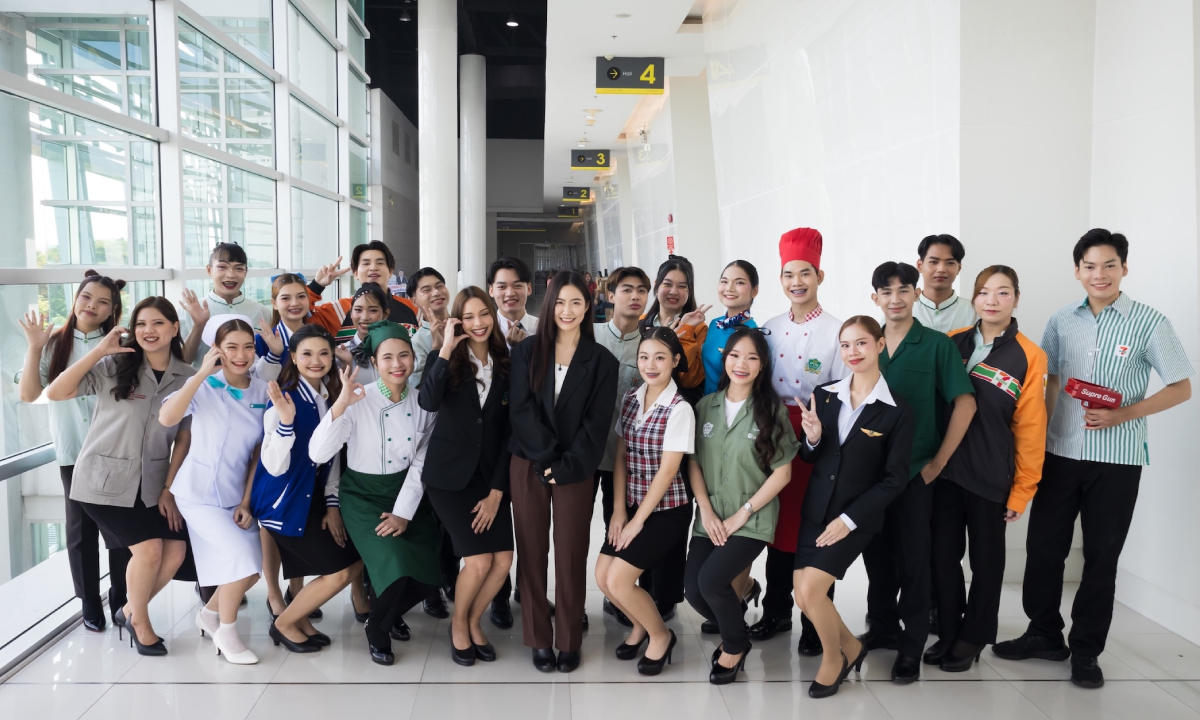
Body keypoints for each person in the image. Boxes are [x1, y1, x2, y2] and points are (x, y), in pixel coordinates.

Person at [993, 229, 1193, 689]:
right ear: (1077, 271)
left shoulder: (1150, 322)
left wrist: (1124, 413)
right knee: (1044, 548)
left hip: (1117, 459)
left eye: (1108, 265)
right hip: (1060, 451)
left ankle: (1086, 650)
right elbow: (1048, 381)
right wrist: (1033, 437)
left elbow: (1181, 387)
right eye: (1089, 266)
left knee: (1102, 555)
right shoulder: (1062, 320)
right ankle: (1044, 634)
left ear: (1124, 268)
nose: (1099, 274)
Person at [45, 297, 197, 656]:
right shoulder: (114, 366)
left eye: (158, 323)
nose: (148, 330)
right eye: (141, 324)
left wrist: (169, 488)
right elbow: (56, 391)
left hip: (152, 485)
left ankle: (129, 609)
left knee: (175, 550)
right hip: (102, 482)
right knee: (149, 550)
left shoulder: (188, 377)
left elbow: (184, 437)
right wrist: (99, 350)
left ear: (174, 328)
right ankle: (140, 622)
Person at [859, 261, 976, 683]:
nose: (895, 299)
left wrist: (938, 462)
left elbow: (965, 403)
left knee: (914, 561)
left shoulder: (936, 346)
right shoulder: (867, 343)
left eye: (903, 290)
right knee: (877, 557)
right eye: (886, 292)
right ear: (875, 298)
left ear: (916, 293)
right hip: (871, 475)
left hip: (914, 474)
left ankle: (911, 646)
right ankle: (882, 627)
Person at [929, 266, 1047, 671]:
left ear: (1016, 298)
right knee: (942, 557)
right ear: (974, 298)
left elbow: (1031, 429)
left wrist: (1022, 490)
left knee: (986, 562)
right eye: (984, 292)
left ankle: (974, 635)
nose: (992, 301)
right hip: (944, 472)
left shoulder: (1029, 355)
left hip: (990, 474)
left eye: (1003, 292)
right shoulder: (951, 342)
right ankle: (948, 631)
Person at [793, 315, 913, 697]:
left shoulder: (897, 409)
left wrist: (848, 519)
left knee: (813, 591)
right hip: (816, 511)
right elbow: (810, 457)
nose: (852, 352)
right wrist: (813, 438)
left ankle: (835, 659)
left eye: (861, 343)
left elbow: (894, 479)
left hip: (856, 518)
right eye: (845, 345)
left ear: (880, 345)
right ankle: (853, 645)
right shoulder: (825, 395)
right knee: (802, 594)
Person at [309, 321, 440, 666]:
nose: (397, 364)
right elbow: (318, 453)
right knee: (394, 563)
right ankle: (377, 628)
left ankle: (388, 612)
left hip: (406, 494)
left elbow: (421, 462)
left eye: (404, 355)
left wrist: (404, 511)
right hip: (363, 497)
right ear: (375, 362)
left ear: (414, 358)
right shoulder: (357, 399)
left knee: (433, 574)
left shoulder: (424, 403)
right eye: (388, 357)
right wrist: (340, 404)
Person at [508, 271, 618, 674]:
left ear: (588, 306)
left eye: (575, 302)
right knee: (532, 551)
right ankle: (539, 638)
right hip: (528, 462)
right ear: (548, 305)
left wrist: (566, 464)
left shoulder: (601, 360)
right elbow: (521, 410)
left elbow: (598, 422)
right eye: (559, 302)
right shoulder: (527, 352)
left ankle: (569, 639)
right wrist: (547, 457)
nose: (567, 311)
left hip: (576, 467)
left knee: (571, 552)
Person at [18, 271, 131, 631]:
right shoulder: (53, 343)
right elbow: (29, 395)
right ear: (75, 297)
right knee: (80, 531)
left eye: (102, 302)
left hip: (114, 451)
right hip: (72, 450)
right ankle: (89, 603)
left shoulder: (124, 344)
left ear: (113, 310)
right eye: (86, 297)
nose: (92, 306)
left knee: (119, 532)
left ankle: (122, 599)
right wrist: (35, 347)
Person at [686, 326, 798, 685]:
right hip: (710, 517)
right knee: (694, 592)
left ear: (762, 364)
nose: (741, 364)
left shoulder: (772, 411)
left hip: (752, 519)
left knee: (711, 582)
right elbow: (694, 462)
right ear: (724, 359)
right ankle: (745, 594)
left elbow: (782, 473)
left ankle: (735, 646)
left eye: (752, 358)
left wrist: (742, 513)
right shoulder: (705, 406)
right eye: (735, 355)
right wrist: (705, 509)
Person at [754, 228, 847, 656]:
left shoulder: (836, 331)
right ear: (780, 279)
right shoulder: (769, 330)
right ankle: (776, 612)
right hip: (774, 438)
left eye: (805, 273)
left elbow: (844, 396)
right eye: (789, 274)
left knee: (811, 530)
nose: (797, 282)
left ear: (820, 276)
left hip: (817, 439)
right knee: (777, 529)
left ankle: (814, 621)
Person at [158, 316, 267, 665]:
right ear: (216, 350)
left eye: (247, 347)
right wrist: (201, 374)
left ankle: (208, 614)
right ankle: (227, 632)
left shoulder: (264, 391)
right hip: (197, 494)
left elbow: (258, 454)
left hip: (235, 495)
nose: (241, 355)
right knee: (241, 559)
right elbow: (167, 418)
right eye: (231, 347)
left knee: (253, 569)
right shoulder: (203, 386)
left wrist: (247, 501)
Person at [252, 324, 363, 654]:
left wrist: (332, 504)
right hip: (283, 504)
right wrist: (286, 423)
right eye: (307, 354)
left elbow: (332, 457)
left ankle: (297, 618)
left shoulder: (327, 394)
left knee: (354, 562)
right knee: (340, 571)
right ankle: (284, 624)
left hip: (311, 500)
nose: (316, 360)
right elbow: (273, 466)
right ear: (294, 357)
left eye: (324, 353)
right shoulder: (284, 398)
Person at [419, 287, 515, 667]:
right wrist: (445, 348)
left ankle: (474, 621)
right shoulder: (443, 359)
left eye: (484, 314)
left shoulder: (507, 363)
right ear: (457, 321)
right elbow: (428, 401)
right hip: (449, 477)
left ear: (493, 315)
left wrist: (497, 491)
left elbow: (509, 433)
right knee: (477, 561)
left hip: (490, 477)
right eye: (469, 317)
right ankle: (459, 624)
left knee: (502, 560)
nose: (478, 323)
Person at [596, 327, 695, 676]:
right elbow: (621, 456)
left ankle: (660, 636)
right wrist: (619, 511)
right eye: (644, 357)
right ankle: (640, 626)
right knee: (603, 577)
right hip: (633, 504)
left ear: (675, 361)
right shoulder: (631, 398)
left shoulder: (680, 409)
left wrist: (637, 521)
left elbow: (668, 472)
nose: (650, 365)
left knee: (619, 580)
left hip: (667, 510)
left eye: (660, 358)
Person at [593, 267, 653, 626]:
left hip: (626, 458)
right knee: (573, 530)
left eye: (642, 290)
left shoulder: (649, 346)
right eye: (627, 289)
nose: (635, 296)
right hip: (586, 454)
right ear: (610, 295)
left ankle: (617, 595)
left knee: (618, 524)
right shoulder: (591, 334)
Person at [305, 241, 421, 341]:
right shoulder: (338, 310)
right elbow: (301, 317)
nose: (373, 268)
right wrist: (316, 286)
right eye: (366, 263)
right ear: (355, 273)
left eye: (380, 263)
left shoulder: (413, 308)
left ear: (390, 272)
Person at [179, 243, 273, 365]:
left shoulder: (261, 311)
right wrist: (198, 325)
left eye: (239, 268)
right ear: (209, 270)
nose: (231, 275)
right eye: (222, 267)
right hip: (204, 378)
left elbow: (266, 356)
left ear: (246, 272)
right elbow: (181, 363)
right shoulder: (190, 311)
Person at [639, 256, 709, 405]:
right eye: (667, 284)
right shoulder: (641, 323)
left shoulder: (699, 328)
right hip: (642, 405)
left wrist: (686, 331)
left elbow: (690, 381)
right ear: (656, 285)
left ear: (690, 290)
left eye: (682, 286)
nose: (674, 291)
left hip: (680, 408)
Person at [703, 261, 760, 395]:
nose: (729, 288)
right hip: (704, 404)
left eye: (739, 282)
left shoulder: (752, 335)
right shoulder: (715, 324)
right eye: (724, 281)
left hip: (727, 406)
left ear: (754, 291)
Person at [913, 234, 976, 334]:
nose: (941, 269)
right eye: (934, 262)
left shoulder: (975, 313)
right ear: (920, 266)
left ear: (959, 268)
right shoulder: (905, 311)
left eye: (950, 263)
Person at [335, 283, 391, 384]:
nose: (365, 317)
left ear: (385, 314)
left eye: (373, 310)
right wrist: (346, 364)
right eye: (358, 310)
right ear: (351, 313)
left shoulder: (396, 350)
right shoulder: (339, 355)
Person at [408, 266, 451, 390]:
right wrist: (436, 350)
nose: (436, 292)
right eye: (426, 290)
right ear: (414, 301)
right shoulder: (417, 343)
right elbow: (419, 388)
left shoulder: (464, 324)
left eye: (439, 286)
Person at [488, 256, 539, 350]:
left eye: (517, 286)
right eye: (502, 287)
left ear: (528, 288)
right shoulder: (485, 331)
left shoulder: (541, 329)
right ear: (491, 291)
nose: (510, 293)